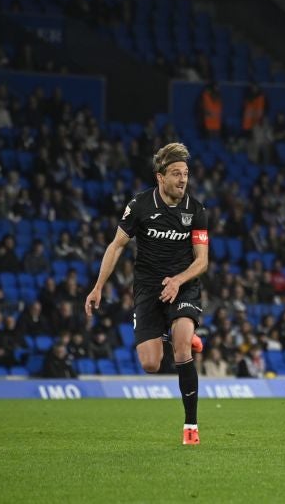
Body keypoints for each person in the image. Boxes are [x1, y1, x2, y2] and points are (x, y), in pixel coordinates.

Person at [84, 143, 209, 445]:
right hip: (148, 288)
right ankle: (176, 333)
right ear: (160, 177)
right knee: (151, 364)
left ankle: (191, 426)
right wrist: (98, 286)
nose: (183, 179)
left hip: (183, 285)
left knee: (182, 351)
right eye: (176, 173)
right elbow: (116, 246)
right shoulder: (140, 205)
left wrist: (178, 280)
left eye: (186, 173)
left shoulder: (195, 210)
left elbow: (202, 261)